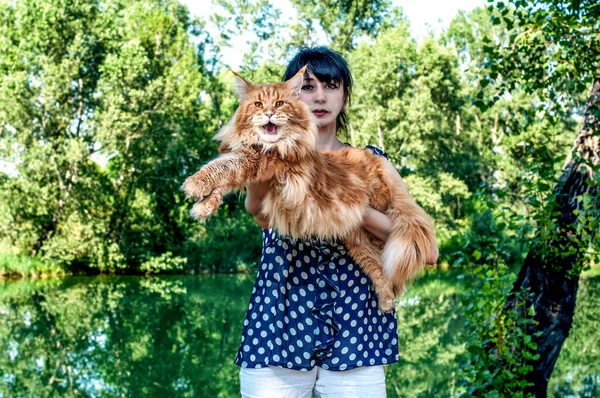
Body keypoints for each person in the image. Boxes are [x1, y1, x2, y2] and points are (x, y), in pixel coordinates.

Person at [236, 46, 439, 398]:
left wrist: (350, 207)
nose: (318, 96)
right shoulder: (269, 155)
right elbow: (262, 216)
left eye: (331, 86)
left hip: (356, 329)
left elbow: (429, 250)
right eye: (307, 86)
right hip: (280, 325)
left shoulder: (371, 161)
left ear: (344, 97)